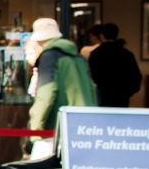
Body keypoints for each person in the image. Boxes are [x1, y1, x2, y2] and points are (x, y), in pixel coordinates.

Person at [25, 16, 96, 159]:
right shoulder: (77, 56)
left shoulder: (49, 56)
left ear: (37, 40)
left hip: (56, 127)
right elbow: (92, 88)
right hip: (82, 123)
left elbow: (46, 94)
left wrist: (35, 131)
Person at [87, 22, 143, 108]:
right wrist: (128, 92)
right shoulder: (126, 54)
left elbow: (90, 76)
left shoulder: (96, 54)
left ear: (102, 35)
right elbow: (136, 76)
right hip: (122, 97)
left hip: (102, 96)